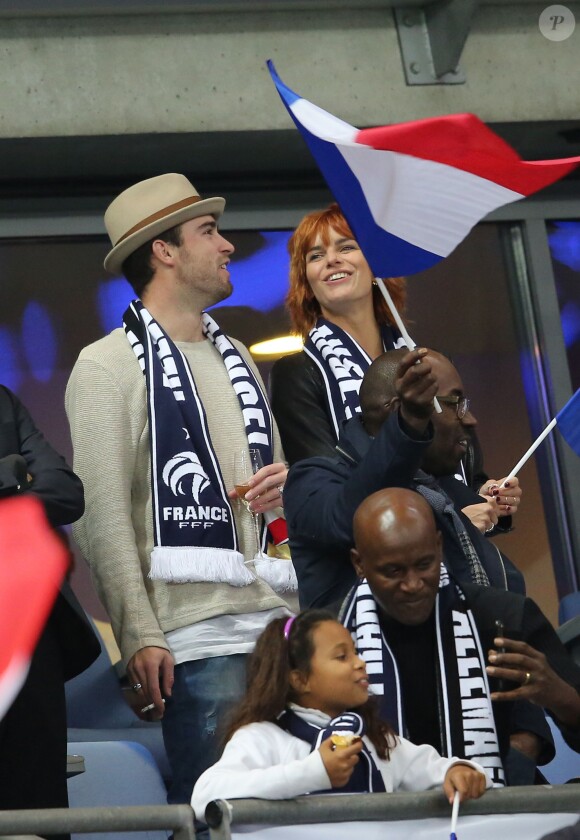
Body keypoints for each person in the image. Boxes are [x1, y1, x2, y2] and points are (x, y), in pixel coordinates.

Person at [66, 173, 292, 805]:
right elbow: (100, 513)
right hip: (196, 647)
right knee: (226, 817)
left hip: (279, 630)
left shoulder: (238, 355)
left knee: (302, 820)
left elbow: (273, 494)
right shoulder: (106, 363)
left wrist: (285, 491)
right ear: (164, 252)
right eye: (209, 232)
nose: (227, 247)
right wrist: (139, 633)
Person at [341, 488, 580, 786]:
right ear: (359, 564)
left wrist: (561, 695)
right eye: (394, 571)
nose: (413, 584)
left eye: (424, 565)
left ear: (439, 547)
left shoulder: (504, 616)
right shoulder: (329, 639)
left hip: (497, 814)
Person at [284, 347, 524, 609]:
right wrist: (408, 424)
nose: (470, 420)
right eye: (455, 404)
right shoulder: (311, 481)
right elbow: (358, 516)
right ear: (403, 410)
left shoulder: (434, 483)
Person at [191, 610, 489, 817]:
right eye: (342, 656)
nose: (359, 663)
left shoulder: (373, 737)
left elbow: (431, 769)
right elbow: (205, 795)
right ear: (300, 679)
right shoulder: (262, 737)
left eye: (357, 652)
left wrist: (458, 772)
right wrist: (313, 773)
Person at [0, 385, 100, 837]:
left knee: (39, 805)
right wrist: (9, 478)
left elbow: (65, 493)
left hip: (27, 627)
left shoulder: (1, 400)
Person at [270, 202, 407, 466]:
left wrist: (484, 493)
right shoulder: (296, 374)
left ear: (376, 269)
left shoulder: (425, 363)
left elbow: (464, 464)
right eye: (316, 256)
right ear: (307, 284)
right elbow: (324, 485)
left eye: (347, 247)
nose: (332, 260)